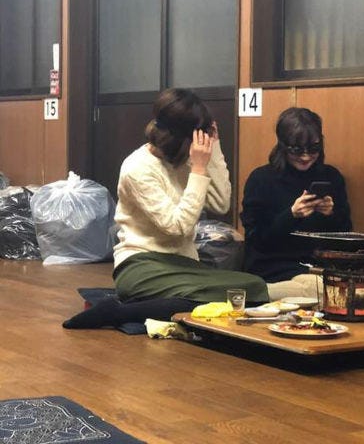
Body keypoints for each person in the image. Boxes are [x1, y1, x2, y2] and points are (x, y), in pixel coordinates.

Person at [64, 88, 268, 329]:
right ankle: (118, 312)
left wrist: (214, 150)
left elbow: (220, 203)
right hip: (141, 264)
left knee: (253, 287)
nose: (200, 144)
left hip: (183, 264)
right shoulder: (137, 168)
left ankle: (136, 308)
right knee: (233, 297)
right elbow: (178, 227)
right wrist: (199, 170)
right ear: (181, 138)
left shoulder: (186, 158)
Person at [240, 107, 352, 296]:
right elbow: (257, 240)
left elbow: (346, 237)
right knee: (323, 290)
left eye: (313, 149)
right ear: (283, 146)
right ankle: (256, 294)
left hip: (319, 268)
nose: (305, 156)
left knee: (342, 288)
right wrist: (291, 216)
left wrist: (331, 215)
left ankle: (259, 295)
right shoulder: (261, 179)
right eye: (297, 150)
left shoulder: (331, 177)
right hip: (273, 268)